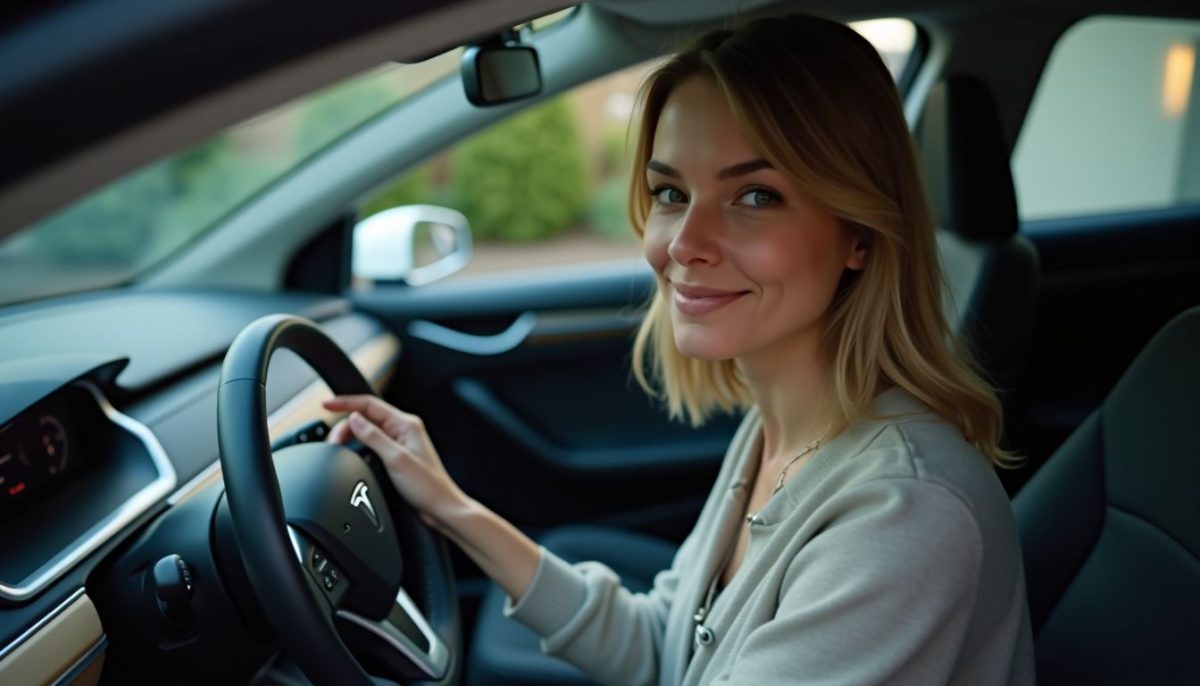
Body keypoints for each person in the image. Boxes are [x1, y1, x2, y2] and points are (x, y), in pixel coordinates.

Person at [324, 13, 1035, 686]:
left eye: (755, 196)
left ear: (860, 233)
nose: (684, 245)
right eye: (670, 192)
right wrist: (450, 508)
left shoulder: (902, 516)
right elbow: (667, 646)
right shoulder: (783, 430)